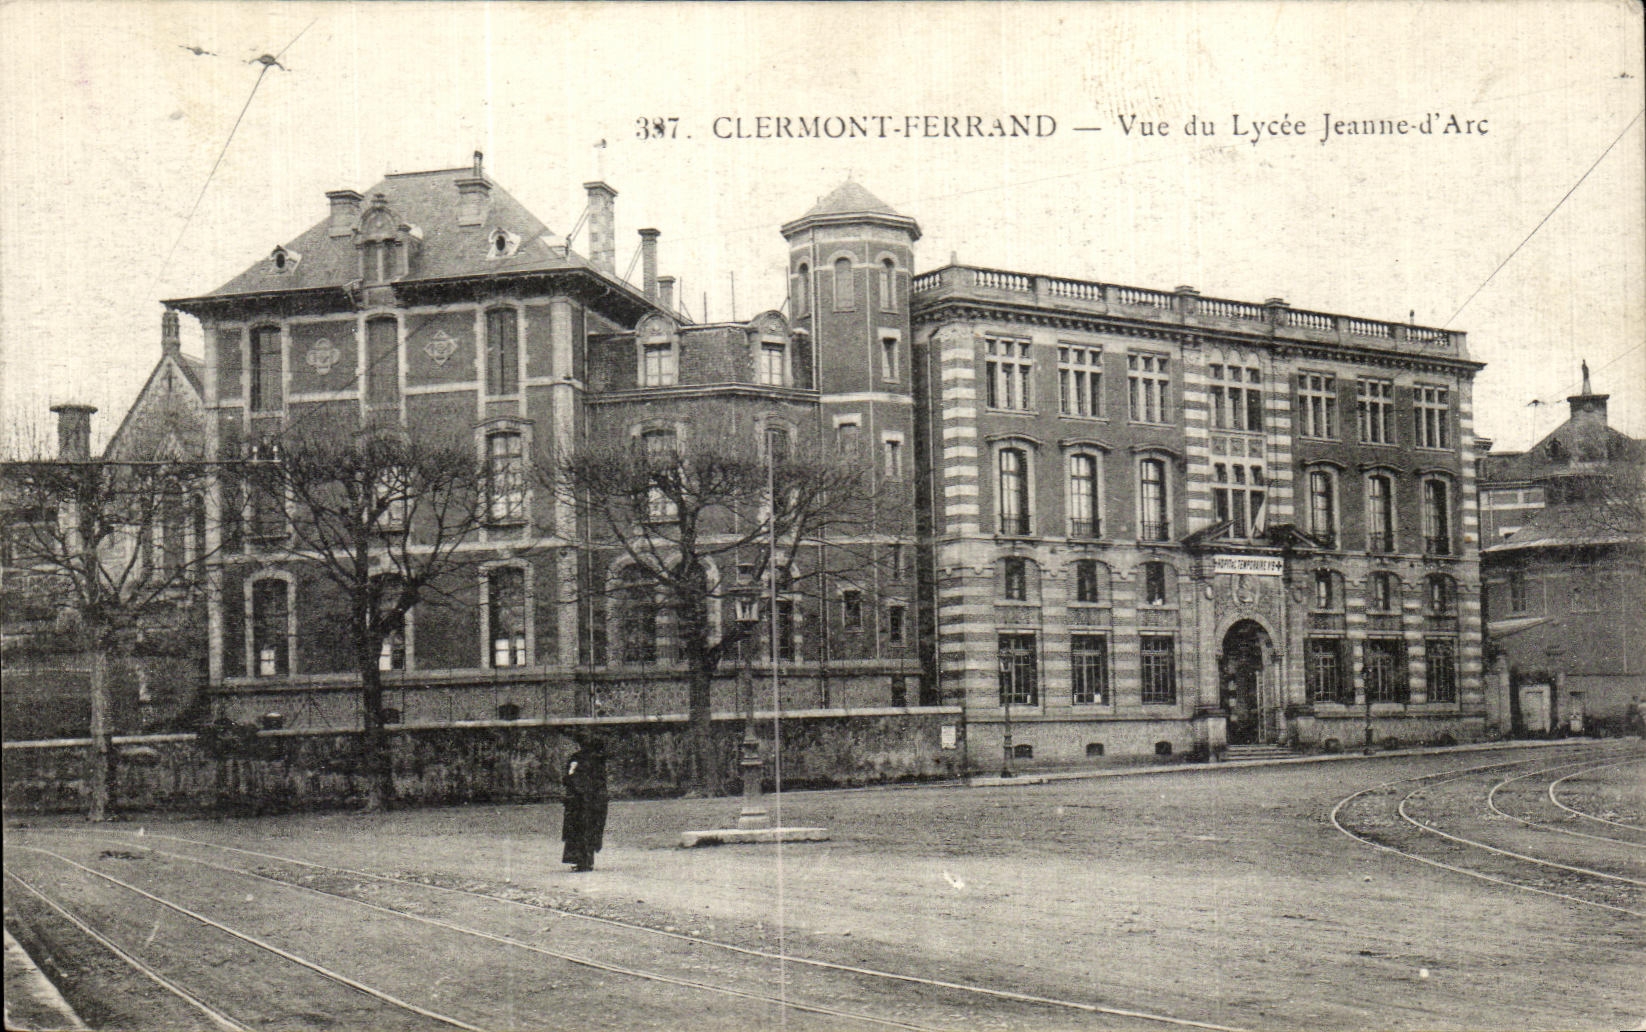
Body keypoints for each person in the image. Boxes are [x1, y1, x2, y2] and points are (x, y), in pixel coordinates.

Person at [561, 737, 609, 872]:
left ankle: (583, 862)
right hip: (594, 801)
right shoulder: (599, 760)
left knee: (579, 830)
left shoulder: (577, 759)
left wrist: (570, 776)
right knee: (590, 830)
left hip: (580, 801)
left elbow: (569, 779)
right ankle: (587, 861)